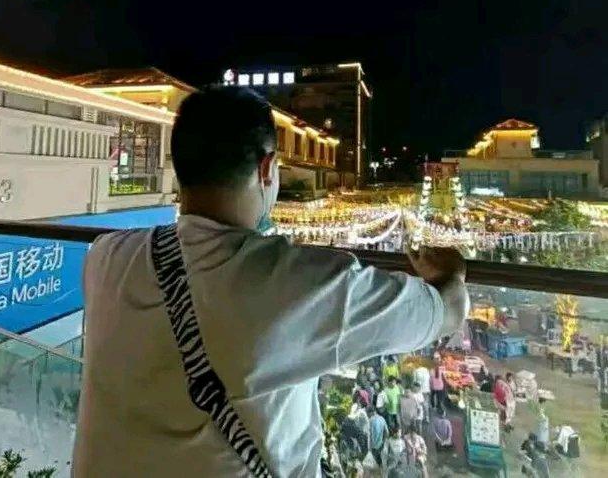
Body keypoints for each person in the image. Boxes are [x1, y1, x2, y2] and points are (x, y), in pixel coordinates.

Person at [73, 87, 470, 477]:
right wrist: (453, 270)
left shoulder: (106, 258)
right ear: (266, 169)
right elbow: (447, 311)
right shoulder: (304, 285)